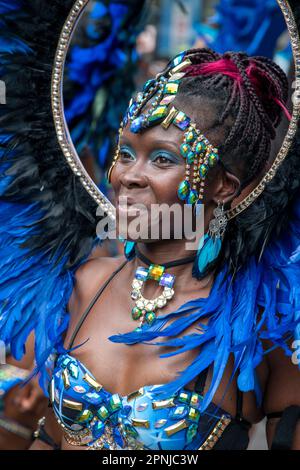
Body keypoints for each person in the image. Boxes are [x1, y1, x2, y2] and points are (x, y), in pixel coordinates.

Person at [26, 48, 300, 450]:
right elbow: (51, 437)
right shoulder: (84, 284)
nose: (128, 176)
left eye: (160, 158)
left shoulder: (259, 321)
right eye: (124, 153)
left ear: (223, 186)